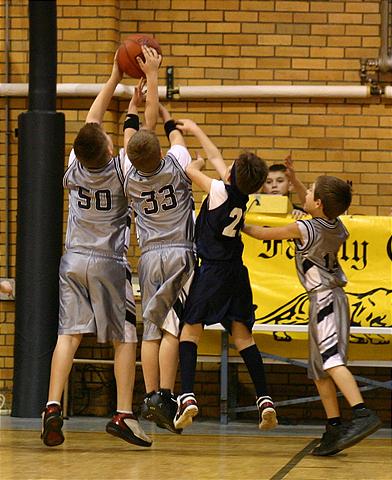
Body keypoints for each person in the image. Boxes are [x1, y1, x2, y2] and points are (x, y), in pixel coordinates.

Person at [41, 46, 161, 449]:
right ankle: (124, 414)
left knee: (69, 335)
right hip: (108, 261)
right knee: (126, 336)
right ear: (110, 149)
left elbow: (92, 122)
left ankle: (52, 406)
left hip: (73, 258)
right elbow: (145, 138)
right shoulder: (124, 169)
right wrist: (146, 91)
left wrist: (114, 78)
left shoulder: (74, 166)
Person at [243, 175, 382, 456]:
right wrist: (293, 181)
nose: (303, 193)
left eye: (309, 192)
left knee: (331, 361)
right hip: (330, 299)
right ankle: (334, 425)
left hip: (326, 298)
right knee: (319, 370)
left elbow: (261, 233)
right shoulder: (338, 225)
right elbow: (315, 204)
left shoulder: (304, 228)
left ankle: (362, 412)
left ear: (318, 203)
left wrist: (235, 222)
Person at [172, 118, 277, 432]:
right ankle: (265, 399)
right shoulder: (241, 195)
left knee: (190, 331)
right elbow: (219, 156)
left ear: (230, 175)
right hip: (236, 274)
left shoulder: (219, 189)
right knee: (243, 338)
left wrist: (197, 161)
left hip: (213, 272)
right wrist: (197, 130)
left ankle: (187, 395)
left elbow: (192, 171)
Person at [123, 103, 196, 434]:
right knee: (172, 329)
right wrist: (167, 117)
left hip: (149, 255)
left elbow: (132, 138)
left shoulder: (128, 173)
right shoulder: (176, 164)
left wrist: (132, 108)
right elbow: (176, 138)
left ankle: (152, 395)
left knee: (150, 329)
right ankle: (166, 394)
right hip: (179, 253)